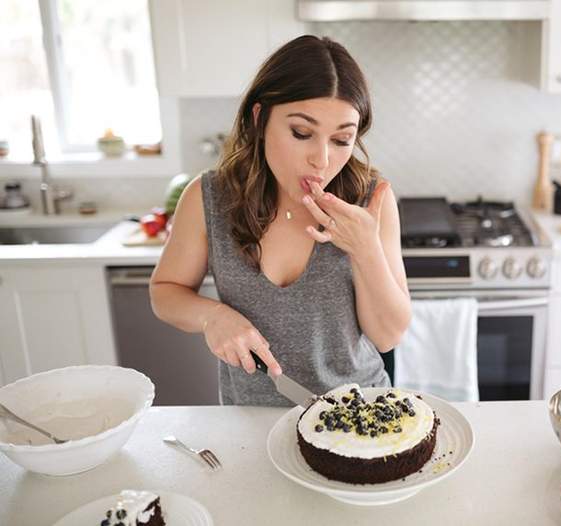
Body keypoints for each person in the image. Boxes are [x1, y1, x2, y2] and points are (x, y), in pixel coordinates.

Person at [149, 35, 411, 406]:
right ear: (260, 118)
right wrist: (212, 317)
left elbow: (387, 337)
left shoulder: (370, 202)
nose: (321, 159)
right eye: (302, 133)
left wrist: (365, 248)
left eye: (341, 139)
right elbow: (165, 292)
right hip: (249, 423)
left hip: (358, 417)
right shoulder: (208, 197)